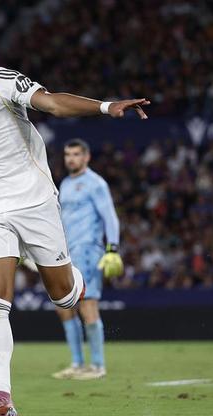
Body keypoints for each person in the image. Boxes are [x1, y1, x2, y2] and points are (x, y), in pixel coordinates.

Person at [0, 26, 149, 416]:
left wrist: (105, 106)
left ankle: (74, 279)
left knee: (63, 296)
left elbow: (54, 104)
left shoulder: (1, 82)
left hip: (35, 202)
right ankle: (2, 398)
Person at [51, 139, 123, 381]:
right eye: (67, 154)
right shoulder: (65, 184)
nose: (71, 158)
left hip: (88, 250)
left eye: (76, 154)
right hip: (67, 254)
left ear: (86, 157)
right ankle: (77, 363)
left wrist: (112, 248)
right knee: (64, 307)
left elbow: (110, 217)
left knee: (87, 305)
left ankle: (98, 366)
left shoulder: (96, 183)